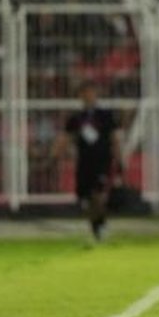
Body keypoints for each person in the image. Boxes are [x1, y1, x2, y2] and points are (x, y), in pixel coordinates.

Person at [52, 81, 120, 242]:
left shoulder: (106, 115)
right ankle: (95, 227)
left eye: (91, 92)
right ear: (80, 96)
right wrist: (55, 155)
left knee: (99, 194)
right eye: (85, 93)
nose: (88, 96)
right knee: (87, 197)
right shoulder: (76, 118)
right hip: (84, 161)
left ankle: (101, 225)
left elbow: (114, 138)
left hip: (102, 159)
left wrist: (119, 158)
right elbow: (66, 138)